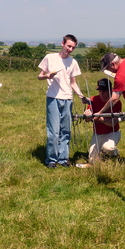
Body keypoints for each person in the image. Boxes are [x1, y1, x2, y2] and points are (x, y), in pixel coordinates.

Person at [38, 34, 88, 168]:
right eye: (68, 46)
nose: (70, 49)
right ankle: (52, 159)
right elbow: (40, 76)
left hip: (68, 99)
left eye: (73, 47)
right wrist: (47, 76)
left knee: (66, 130)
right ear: (62, 44)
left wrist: (81, 96)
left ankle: (63, 158)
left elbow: (73, 83)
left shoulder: (73, 62)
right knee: (53, 131)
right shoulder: (50, 58)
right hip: (53, 98)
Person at [83, 78, 122, 164]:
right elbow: (87, 119)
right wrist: (87, 116)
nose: (101, 93)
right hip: (97, 133)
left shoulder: (116, 103)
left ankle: (114, 153)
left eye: (104, 90)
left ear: (110, 90)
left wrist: (101, 119)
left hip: (112, 132)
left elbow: (113, 123)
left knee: (108, 148)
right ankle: (102, 152)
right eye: (100, 90)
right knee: (92, 161)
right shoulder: (93, 100)